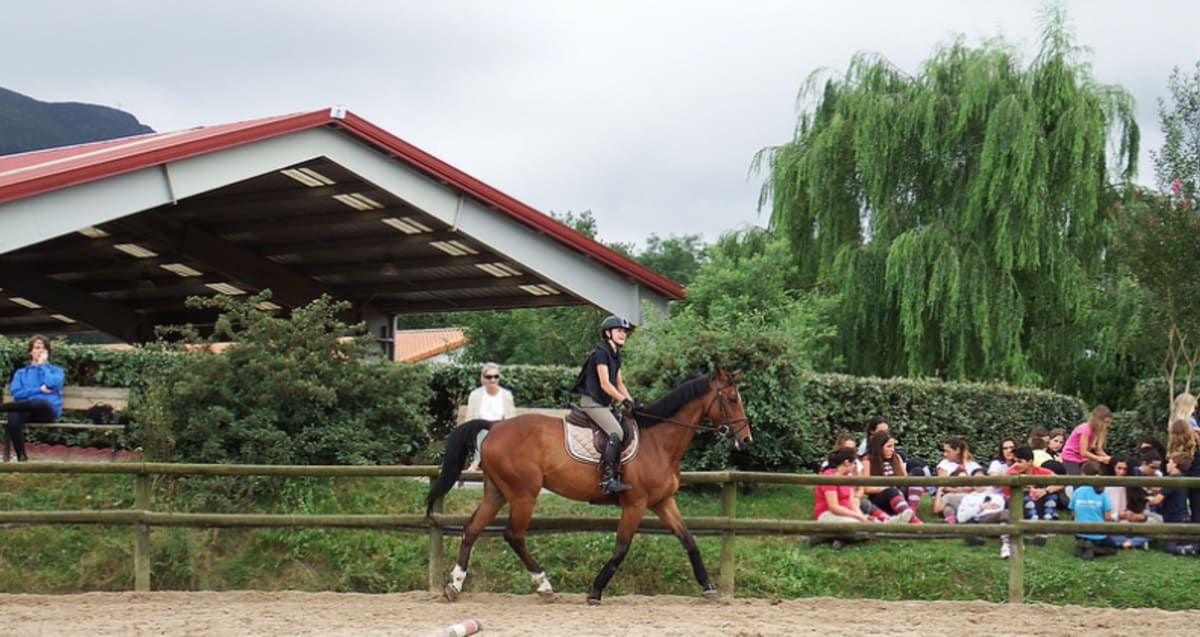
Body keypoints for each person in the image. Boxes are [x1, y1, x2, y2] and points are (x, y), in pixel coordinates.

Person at [571, 315, 637, 494]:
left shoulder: (616, 354)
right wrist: (623, 400)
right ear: (608, 332)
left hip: (604, 404)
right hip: (592, 402)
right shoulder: (601, 352)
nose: (623, 334)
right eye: (619, 330)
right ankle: (608, 478)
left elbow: (619, 382)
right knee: (616, 432)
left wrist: (632, 402)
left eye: (624, 331)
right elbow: (605, 384)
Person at [1, 335, 64, 462]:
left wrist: (42, 366)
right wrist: (38, 390)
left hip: (46, 412)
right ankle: (21, 457)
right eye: (37, 348)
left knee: (40, 402)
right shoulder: (21, 373)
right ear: (30, 352)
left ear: (48, 352)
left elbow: (52, 383)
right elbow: (17, 393)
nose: (40, 351)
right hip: (27, 411)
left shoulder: (56, 371)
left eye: (44, 348)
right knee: (13, 415)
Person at [464, 363, 517, 473]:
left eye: (496, 377)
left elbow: (512, 418)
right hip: (481, 425)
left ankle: (477, 462)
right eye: (489, 377)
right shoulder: (475, 395)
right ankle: (477, 461)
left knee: (492, 432)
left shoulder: (506, 395)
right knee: (482, 432)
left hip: (500, 427)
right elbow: (470, 417)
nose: (492, 380)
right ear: (483, 379)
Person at [861, 431, 920, 522]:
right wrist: (885, 488)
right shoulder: (867, 461)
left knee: (917, 476)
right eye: (889, 446)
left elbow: (906, 479)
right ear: (879, 447)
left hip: (899, 493)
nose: (892, 449)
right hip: (880, 497)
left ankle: (910, 513)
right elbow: (866, 489)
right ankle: (914, 521)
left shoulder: (896, 457)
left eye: (893, 446)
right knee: (891, 491)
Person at [1069, 461, 1119, 560]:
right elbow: (1107, 517)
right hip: (1097, 532)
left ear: (1083, 474)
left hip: (1078, 532)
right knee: (1112, 548)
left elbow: (1073, 514)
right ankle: (1093, 548)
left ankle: (1083, 544)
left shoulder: (1078, 491)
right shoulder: (1102, 493)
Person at [1005, 446, 1065, 521]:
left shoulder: (1040, 471)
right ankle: (1034, 522)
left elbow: (1061, 482)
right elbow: (1008, 497)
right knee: (1025, 496)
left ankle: (1048, 520)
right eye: (1015, 461)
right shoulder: (1010, 473)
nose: (1016, 464)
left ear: (1030, 462)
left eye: (1019, 461)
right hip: (1019, 505)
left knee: (1052, 494)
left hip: (1037, 501)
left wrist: (1045, 491)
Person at [933, 436, 982, 524]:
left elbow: (980, 485)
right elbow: (943, 486)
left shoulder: (972, 465)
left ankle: (953, 519)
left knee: (947, 502)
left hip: (968, 497)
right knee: (946, 503)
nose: (945, 454)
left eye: (948, 451)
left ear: (957, 450)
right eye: (944, 451)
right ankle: (952, 518)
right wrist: (958, 490)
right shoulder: (944, 465)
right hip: (950, 494)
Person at [1158, 452, 1198, 555]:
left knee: (1169, 547)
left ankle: (1190, 549)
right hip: (1184, 517)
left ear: (1175, 464)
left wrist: (1147, 498)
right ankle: (1190, 546)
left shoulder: (1171, 480)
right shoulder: (1185, 478)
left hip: (1174, 519)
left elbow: (1156, 500)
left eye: (1169, 462)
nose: (1167, 464)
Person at [1062, 405, 1113, 475]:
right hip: (1070, 456)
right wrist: (1100, 459)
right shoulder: (1085, 429)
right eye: (1105, 422)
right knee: (1076, 480)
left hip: (1082, 458)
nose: (1107, 425)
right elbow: (1083, 452)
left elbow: (1098, 450)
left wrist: (1111, 459)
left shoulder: (1098, 431)